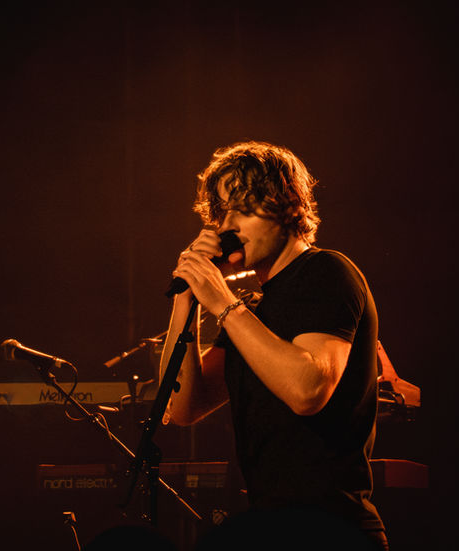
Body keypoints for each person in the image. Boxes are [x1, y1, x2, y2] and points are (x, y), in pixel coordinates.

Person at [159, 142, 387, 550]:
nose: (227, 227)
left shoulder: (327, 272)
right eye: (222, 212)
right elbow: (180, 407)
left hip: (331, 530)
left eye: (243, 210)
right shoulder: (252, 310)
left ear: (287, 209)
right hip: (269, 527)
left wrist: (223, 303)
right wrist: (185, 301)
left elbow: (307, 390)